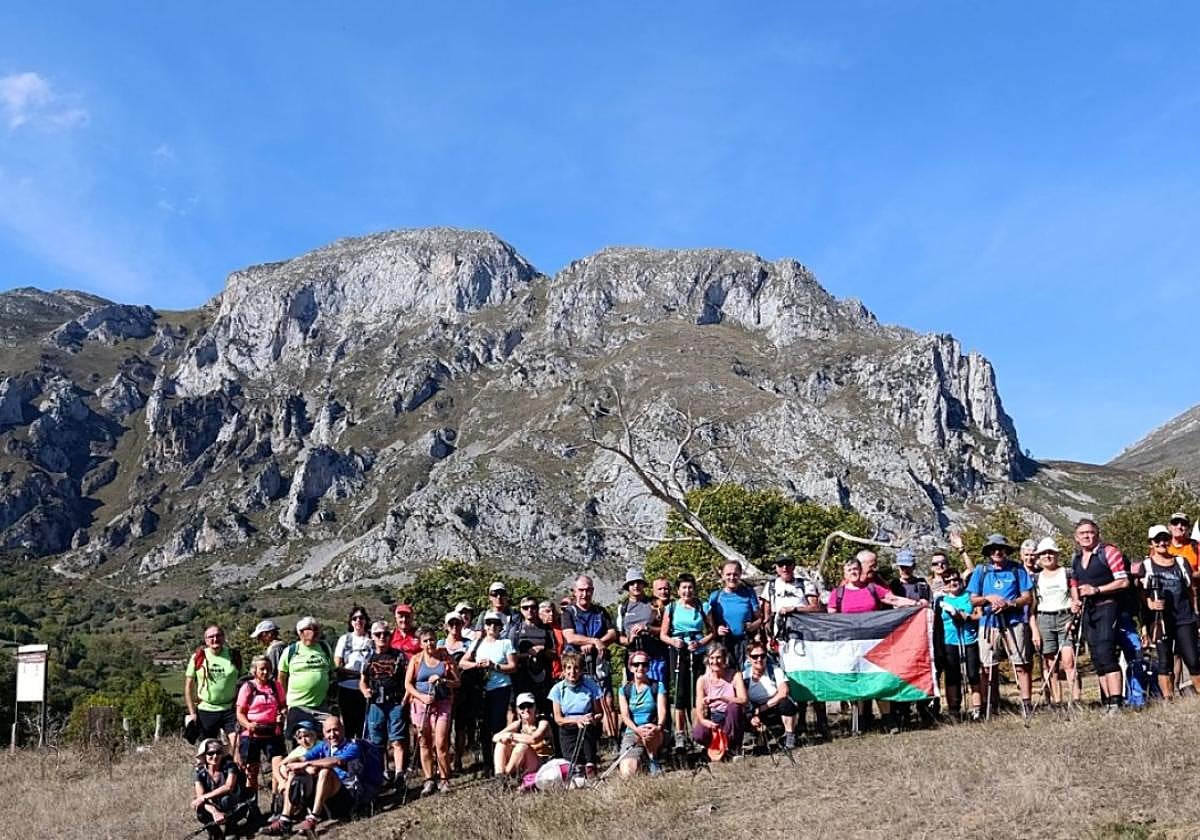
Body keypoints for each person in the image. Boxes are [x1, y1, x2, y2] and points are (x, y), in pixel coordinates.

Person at [829, 557, 923, 732]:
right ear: (845, 573)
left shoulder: (872, 588)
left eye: (856, 569)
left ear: (861, 570)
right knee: (857, 680)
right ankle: (861, 721)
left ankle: (888, 719)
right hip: (850, 646)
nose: (853, 572)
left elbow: (893, 600)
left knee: (878, 678)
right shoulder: (838, 593)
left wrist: (916, 604)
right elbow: (832, 618)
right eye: (849, 570)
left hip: (874, 644)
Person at [267, 715, 375, 836]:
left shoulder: (352, 746)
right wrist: (291, 763)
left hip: (347, 796)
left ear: (343, 729)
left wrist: (305, 764)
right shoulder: (324, 746)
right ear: (323, 733)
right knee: (295, 773)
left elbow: (336, 761)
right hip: (326, 796)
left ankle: (312, 820)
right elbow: (302, 757)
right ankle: (285, 821)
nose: (332, 734)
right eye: (328, 731)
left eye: (336, 730)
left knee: (325, 770)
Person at [762, 552, 829, 740]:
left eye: (788, 564)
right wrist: (768, 638)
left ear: (794, 566)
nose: (785, 568)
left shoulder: (805, 584)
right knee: (790, 681)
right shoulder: (771, 586)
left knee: (812, 677)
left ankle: (822, 723)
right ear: (776, 567)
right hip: (782, 641)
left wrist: (795, 609)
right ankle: (798, 725)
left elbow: (817, 608)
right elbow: (766, 616)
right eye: (781, 565)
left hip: (806, 640)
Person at [967, 534, 1035, 718]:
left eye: (1001, 548)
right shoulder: (981, 571)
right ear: (988, 552)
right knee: (988, 667)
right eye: (993, 549)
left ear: (1006, 550)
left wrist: (1009, 604)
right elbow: (972, 600)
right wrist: (988, 599)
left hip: (1014, 622)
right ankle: (990, 705)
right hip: (988, 623)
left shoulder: (1017, 569)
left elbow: (1027, 597)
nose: (997, 551)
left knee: (1021, 663)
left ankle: (1026, 705)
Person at [1069, 519, 1129, 713]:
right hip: (1088, 611)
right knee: (1096, 656)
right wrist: (1075, 600)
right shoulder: (1076, 559)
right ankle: (1107, 702)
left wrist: (1097, 590)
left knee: (1106, 652)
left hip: (1107, 607)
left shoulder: (1109, 552)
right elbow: (1074, 584)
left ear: (1097, 534)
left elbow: (1123, 582)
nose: (1087, 536)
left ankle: (1117, 702)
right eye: (1083, 533)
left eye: (1091, 532)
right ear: (1076, 538)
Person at [660, 572, 715, 750]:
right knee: (681, 693)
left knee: (698, 693)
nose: (687, 591)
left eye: (690, 587)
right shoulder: (672, 608)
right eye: (684, 587)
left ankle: (699, 732)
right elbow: (663, 634)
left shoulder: (703, 606)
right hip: (678, 652)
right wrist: (673, 641)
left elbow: (712, 632)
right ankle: (680, 734)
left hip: (698, 651)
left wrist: (699, 642)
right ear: (678, 590)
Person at [1144, 525, 1200, 698]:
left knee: (1192, 659)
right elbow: (1141, 594)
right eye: (1157, 540)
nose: (1162, 543)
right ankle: (1168, 699)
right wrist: (1151, 605)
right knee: (1164, 661)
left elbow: (1191, 591)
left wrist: (1196, 614)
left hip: (1184, 617)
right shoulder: (1146, 566)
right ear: (1151, 543)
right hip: (1160, 621)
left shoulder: (1182, 562)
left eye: (1164, 539)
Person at [459, 610, 517, 774]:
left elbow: (513, 667)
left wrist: (495, 666)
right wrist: (477, 665)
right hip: (482, 690)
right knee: (483, 727)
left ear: (501, 627)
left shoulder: (505, 643)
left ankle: (499, 762)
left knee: (498, 726)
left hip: (500, 688)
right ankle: (487, 763)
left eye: (496, 624)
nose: (493, 626)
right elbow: (463, 663)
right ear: (484, 626)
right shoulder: (477, 643)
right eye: (489, 623)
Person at [561, 575, 618, 736]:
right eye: (581, 590)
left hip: (599, 663)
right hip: (576, 665)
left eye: (588, 590)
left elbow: (612, 633)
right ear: (575, 591)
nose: (584, 594)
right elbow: (570, 637)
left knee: (606, 700)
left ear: (592, 591)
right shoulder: (569, 613)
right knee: (581, 702)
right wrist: (594, 641)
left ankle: (612, 738)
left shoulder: (600, 612)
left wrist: (597, 643)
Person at [405, 626, 459, 795]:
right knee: (424, 742)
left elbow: (457, 682)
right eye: (426, 641)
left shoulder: (445, 658)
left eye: (432, 640)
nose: (430, 644)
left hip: (442, 703)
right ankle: (429, 779)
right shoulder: (416, 660)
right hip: (421, 704)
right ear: (421, 644)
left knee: (441, 742)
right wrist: (421, 698)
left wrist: (443, 680)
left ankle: (444, 778)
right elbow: (408, 684)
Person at [1029, 538, 1080, 707]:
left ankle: (1075, 700)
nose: (1047, 556)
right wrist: (1035, 630)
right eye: (1044, 553)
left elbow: (1075, 599)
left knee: (1069, 660)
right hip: (1044, 619)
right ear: (1039, 557)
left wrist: (1074, 618)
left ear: (1057, 554)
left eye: (1050, 552)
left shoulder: (1067, 573)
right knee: (1050, 663)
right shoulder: (1035, 578)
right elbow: (1032, 607)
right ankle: (1057, 702)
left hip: (1064, 617)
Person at [234, 654, 286, 817]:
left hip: (273, 732)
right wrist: (249, 725)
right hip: (251, 734)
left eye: (268, 669)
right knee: (252, 771)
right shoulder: (248, 688)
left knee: (278, 767)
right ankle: (252, 807)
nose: (265, 672)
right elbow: (240, 713)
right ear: (254, 670)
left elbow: (283, 706)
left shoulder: (276, 686)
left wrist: (282, 715)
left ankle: (276, 805)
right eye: (262, 669)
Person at [360, 620, 408, 784]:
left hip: (395, 702)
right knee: (377, 743)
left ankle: (400, 774)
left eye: (386, 634)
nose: (382, 637)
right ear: (372, 636)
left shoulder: (399, 656)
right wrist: (365, 690)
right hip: (375, 704)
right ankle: (383, 773)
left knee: (397, 740)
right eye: (378, 634)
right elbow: (363, 680)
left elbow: (408, 679)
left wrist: (405, 699)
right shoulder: (369, 658)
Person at [184, 625, 242, 752]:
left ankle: (231, 769)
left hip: (230, 709)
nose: (215, 639)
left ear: (223, 637)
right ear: (206, 640)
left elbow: (244, 681)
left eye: (218, 636)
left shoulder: (234, 656)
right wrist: (192, 713)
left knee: (237, 744)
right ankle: (208, 771)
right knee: (208, 749)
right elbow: (188, 687)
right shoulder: (198, 657)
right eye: (211, 637)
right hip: (206, 709)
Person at [935, 570, 982, 719]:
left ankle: (977, 709)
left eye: (955, 580)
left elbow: (979, 615)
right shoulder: (940, 600)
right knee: (952, 676)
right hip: (949, 641)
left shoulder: (969, 596)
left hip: (969, 639)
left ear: (960, 581)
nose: (952, 583)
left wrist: (965, 616)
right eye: (947, 581)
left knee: (973, 674)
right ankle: (954, 710)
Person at [279, 616, 336, 737]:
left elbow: (332, 671)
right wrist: (284, 701)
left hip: (321, 705)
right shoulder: (291, 651)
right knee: (301, 740)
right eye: (309, 630)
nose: (314, 633)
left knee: (326, 739)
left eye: (316, 629)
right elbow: (281, 677)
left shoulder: (325, 648)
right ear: (300, 633)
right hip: (298, 705)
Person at [549, 651, 603, 776]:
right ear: (564, 669)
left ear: (581, 670)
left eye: (576, 668)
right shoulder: (557, 689)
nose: (572, 672)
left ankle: (591, 765)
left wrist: (593, 719)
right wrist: (577, 720)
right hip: (567, 728)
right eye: (569, 668)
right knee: (574, 768)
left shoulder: (590, 685)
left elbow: (599, 713)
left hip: (587, 727)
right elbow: (558, 718)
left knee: (588, 765)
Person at [616, 651, 667, 777]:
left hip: (653, 731)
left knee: (649, 731)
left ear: (648, 667)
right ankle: (642, 760)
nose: (640, 668)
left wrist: (658, 727)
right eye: (636, 664)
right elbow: (625, 716)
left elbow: (662, 710)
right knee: (627, 773)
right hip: (632, 732)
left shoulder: (657, 686)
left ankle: (653, 758)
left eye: (644, 664)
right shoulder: (624, 690)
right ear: (630, 667)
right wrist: (636, 730)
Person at [692, 645, 748, 755]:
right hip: (713, 716)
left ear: (724, 658)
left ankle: (734, 747)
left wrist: (721, 698)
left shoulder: (735, 675)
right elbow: (698, 707)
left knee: (734, 707)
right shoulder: (702, 680)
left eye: (718, 657)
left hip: (730, 717)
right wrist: (704, 721)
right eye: (712, 658)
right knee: (698, 734)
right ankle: (714, 745)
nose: (715, 661)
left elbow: (743, 699)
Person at [743, 641, 800, 749]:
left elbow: (784, 691)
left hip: (774, 707)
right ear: (749, 658)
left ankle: (790, 736)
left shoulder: (775, 670)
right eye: (755, 656)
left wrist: (763, 708)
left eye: (762, 656)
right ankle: (754, 736)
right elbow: (743, 699)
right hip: (755, 710)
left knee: (786, 703)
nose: (759, 659)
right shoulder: (744, 676)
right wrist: (753, 715)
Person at [708, 560, 763, 669]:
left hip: (746, 642)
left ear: (740, 575)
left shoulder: (749, 593)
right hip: (725, 644)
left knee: (746, 676)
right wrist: (717, 629)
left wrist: (753, 626)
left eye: (735, 574)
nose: (732, 577)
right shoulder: (715, 597)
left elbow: (761, 618)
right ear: (722, 576)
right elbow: (708, 623)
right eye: (728, 574)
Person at [617, 568, 668, 685]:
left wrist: (647, 629)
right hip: (633, 658)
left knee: (657, 692)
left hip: (655, 657)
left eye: (638, 582)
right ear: (627, 586)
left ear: (643, 584)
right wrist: (629, 639)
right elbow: (619, 637)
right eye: (632, 583)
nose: (635, 586)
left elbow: (667, 630)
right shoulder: (623, 608)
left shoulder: (655, 604)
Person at [192, 738, 248, 840]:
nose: (215, 756)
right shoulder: (199, 772)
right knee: (200, 809)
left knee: (226, 799)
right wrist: (214, 812)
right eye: (211, 753)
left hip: (236, 805)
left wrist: (204, 797)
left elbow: (228, 787)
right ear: (204, 755)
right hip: (214, 806)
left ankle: (231, 829)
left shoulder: (230, 766)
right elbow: (200, 797)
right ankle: (215, 833)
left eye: (218, 752)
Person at [439, 611, 474, 773]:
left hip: (464, 690)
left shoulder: (469, 644)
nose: (454, 627)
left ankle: (458, 758)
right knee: (443, 729)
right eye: (451, 624)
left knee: (461, 727)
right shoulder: (439, 644)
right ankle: (444, 760)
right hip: (443, 692)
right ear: (446, 626)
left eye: (458, 623)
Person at [492, 692, 552, 783]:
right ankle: (499, 777)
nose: (526, 709)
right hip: (523, 763)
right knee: (501, 744)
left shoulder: (542, 722)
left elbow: (533, 739)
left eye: (529, 705)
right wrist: (507, 738)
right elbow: (495, 737)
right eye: (522, 707)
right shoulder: (518, 724)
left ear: (535, 707)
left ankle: (506, 776)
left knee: (522, 747)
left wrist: (512, 736)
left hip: (542, 763)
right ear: (517, 710)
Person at [509, 595, 556, 714]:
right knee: (522, 711)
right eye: (525, 608)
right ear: (521, 610)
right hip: (521, 677)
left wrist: (543, 650)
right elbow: (510, 655)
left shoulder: (547, 629)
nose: (529, 610)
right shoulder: (516, 630)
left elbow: (555, 654)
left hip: (544, 678)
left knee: (544, 710)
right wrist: (528, 654)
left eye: (533, 607)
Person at [334, 605, 373, 740]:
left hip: (366, 690)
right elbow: (338, 667)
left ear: (366, 620)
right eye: (354, 618)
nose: (358, 621)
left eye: (361, 618)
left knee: (364, 727)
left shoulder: (372, 640)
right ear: (351, 622)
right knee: (348, 728)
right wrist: (360, 674)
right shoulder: (344, 639)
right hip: (346, 689)